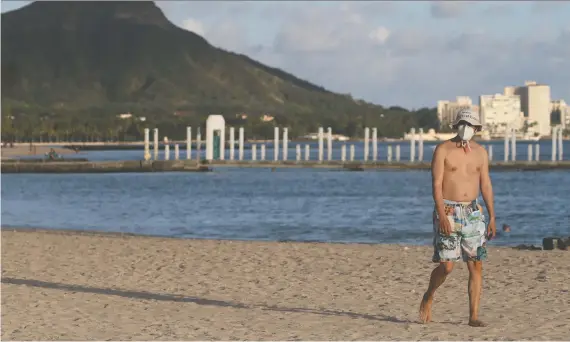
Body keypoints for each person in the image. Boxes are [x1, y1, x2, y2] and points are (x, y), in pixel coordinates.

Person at [419, 108, 496, 327]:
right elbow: (436, 184)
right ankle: (429, 293)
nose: (466, 128)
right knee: (447, 266)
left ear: (477, 129)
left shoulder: (480, 153)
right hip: (449, 210)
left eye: (471, 125)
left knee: (476, 265)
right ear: (456, 125)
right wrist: (441, 213)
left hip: (473, 212)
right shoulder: (443, 149)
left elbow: (486, 185)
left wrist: (492, 216)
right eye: (463, 123)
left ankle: (473, 316)